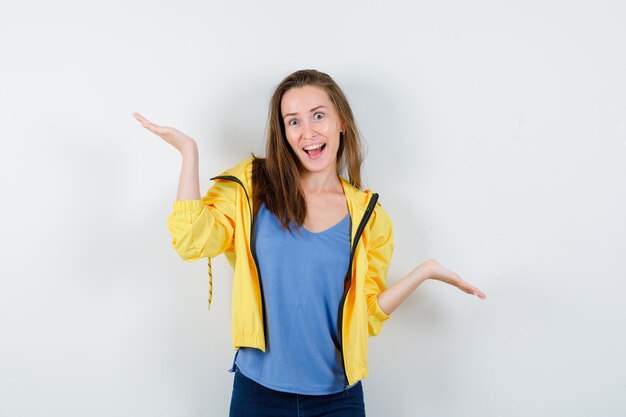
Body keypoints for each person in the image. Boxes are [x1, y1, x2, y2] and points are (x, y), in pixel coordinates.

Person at [133, 69, 486, 417]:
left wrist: (424, 272)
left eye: (318, 116)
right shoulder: (251, 187)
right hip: (257, 394)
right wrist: (188, 153)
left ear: (341, 122)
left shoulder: (368, 217)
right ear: (283, 132)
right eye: (293, 121)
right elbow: (191, 241)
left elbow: (364, 317)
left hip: (337, 399)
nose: (308, 133)